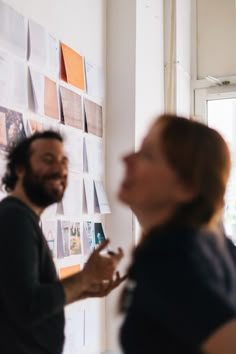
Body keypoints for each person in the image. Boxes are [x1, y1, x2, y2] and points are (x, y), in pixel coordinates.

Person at [118, 114, 236, 354]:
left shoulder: (168, 255)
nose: (127, 159)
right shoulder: (215, 243)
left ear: (187, 187)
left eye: (147, 156)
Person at [0, 130, 124, 354]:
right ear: (20, 169)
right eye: (48, 160)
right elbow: (28, 307)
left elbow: (21, 301)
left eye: (64, 161)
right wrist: (84, 277)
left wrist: (82, 289)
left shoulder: (20, 218)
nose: (60, 169)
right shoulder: (14, 219)